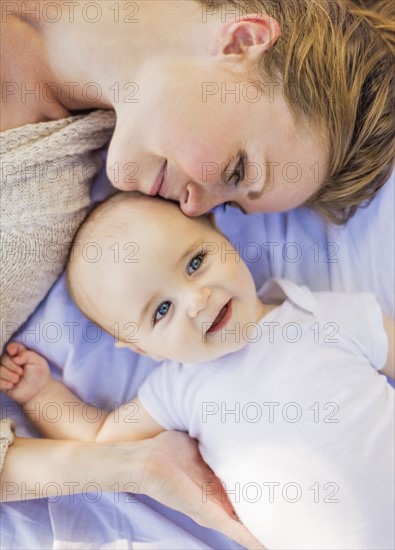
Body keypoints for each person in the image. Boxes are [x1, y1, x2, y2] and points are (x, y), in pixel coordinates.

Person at [1, 0, 393, 545]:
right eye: (237, 169)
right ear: (240, 43)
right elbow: (104, 434)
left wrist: (133, 468)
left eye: (226, 209)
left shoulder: (58, 197)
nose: (193, 208)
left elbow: (106, 440)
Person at [1, 192, 394, 549]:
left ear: (220, 234)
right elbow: (99, 437)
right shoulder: (176, 388)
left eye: (195, 262)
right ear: (142, 349)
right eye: (161, 311)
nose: (196, 300)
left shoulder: (318, 313)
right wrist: (41, 394)